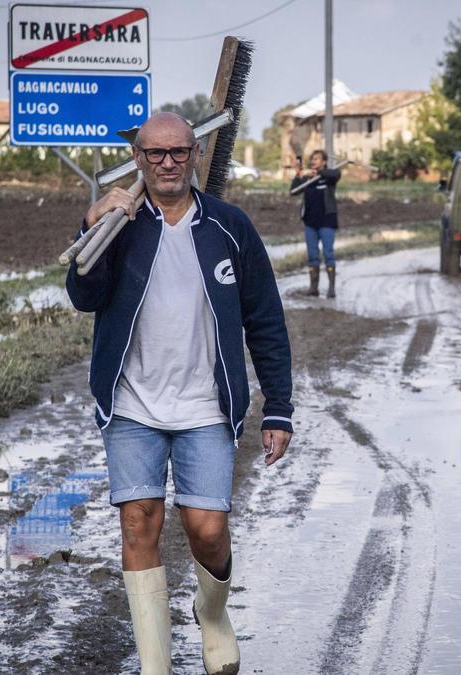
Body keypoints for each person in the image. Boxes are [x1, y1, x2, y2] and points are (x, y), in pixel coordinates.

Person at [66, 112, 294, 675]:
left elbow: (264, 319)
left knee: (208, 531)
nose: (167, 163)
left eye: (178, 152)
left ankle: (212, 614)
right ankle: (156, 666)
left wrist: (279, 407)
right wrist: (89, 223)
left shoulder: (230, 226)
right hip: (131, 404)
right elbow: (83, 294)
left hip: (205, 407)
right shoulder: (118, 224)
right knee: (138, 523)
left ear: (196, 155)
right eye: (155, 153)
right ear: (138, 159)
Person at [290, 149, 341, 298]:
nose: (313, 161)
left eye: (317, 159)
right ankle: (314, 288)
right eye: (312, 159)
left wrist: (318, 173)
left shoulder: (329, 177)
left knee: (328, 254)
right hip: (310, 223)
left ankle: (331, 289)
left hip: (327, 222)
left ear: (324, 162)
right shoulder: (307, 178)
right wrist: (299, 174)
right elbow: (293, 191)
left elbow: (335, 174)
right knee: (313, 256)